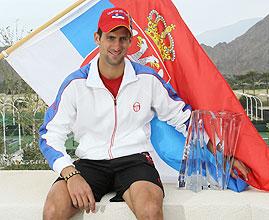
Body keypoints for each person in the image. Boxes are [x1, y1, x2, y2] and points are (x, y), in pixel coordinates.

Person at [40, 7, 249, 220]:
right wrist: (70, 173)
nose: (116, 45)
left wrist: (220, 156)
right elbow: (49, 135)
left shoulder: (148, 79)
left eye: (123, 39)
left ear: (130, 41)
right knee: (53, 211)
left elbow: (183, 118)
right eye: (110, 38)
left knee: (150, 210)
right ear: (98, 38)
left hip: (135, 161)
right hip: (90, 162)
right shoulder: (76, 83)